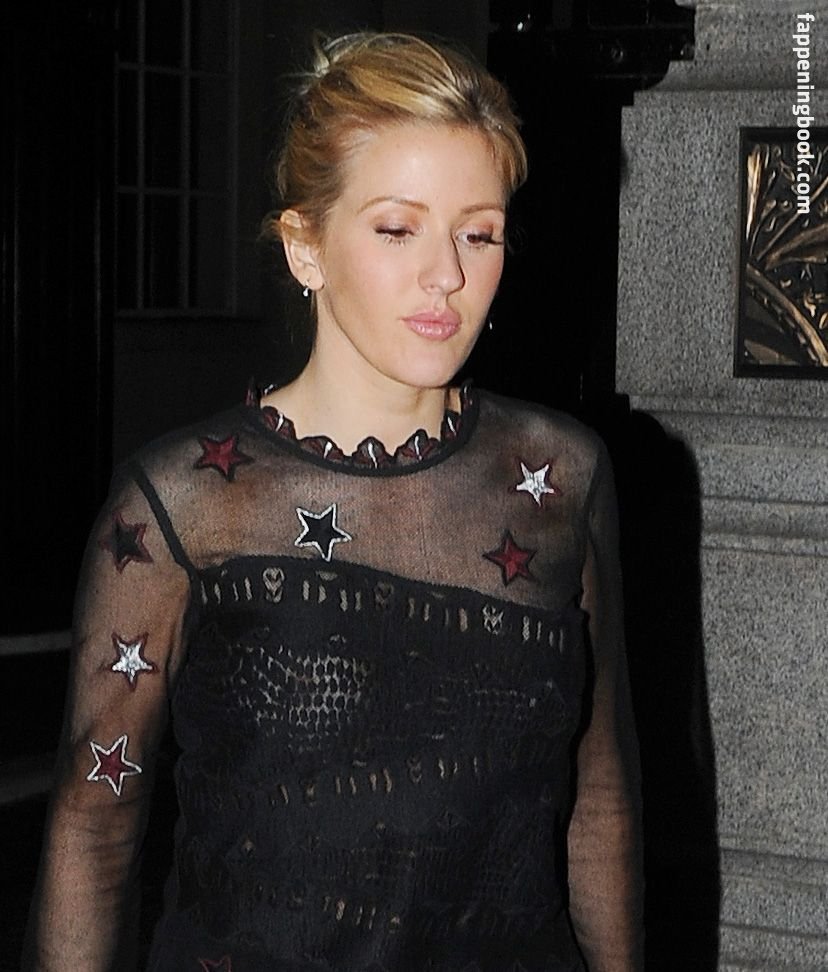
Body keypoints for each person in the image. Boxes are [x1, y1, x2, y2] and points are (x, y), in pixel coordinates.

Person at [23, 32, 643, 972]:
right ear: (304, 245)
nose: (447, 275)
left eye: (478, 233)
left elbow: (601, 807)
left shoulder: (562, 477)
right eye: (398, 229)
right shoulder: (182, 504)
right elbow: (94, 826)